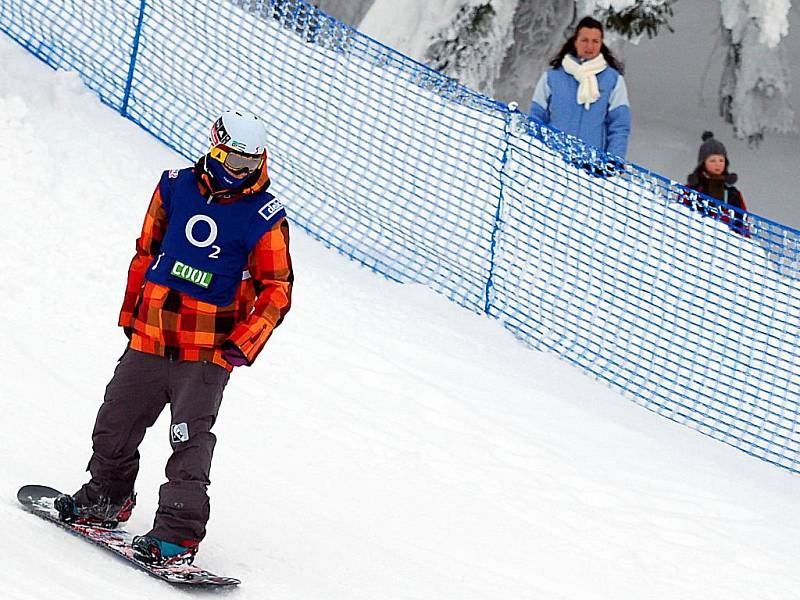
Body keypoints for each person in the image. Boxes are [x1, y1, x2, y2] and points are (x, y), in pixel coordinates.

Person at [53, 109, 293, 566]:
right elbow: (148, 251)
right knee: (114, 424)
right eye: (233, 160)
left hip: (206, 352)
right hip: (150, 335)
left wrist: (240, 347)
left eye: (250, 164)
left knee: (189, 443)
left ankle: (177, 535)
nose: (240, 172)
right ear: (215, 146)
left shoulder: (263, 216)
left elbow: (277, 291)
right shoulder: (174, 185)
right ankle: (106, 499)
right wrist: (130, 314)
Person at [529, 16, 631, 160]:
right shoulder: (552, 77)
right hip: (552, 161)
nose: (590, 46)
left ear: (601, 43)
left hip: (592, 166)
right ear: (575, 41)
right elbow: (536, 116)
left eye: (595, 41)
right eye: (584, 40)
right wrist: (534, 150)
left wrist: (614, 161)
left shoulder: (613, 80)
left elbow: (619, 125)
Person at [685, 131, 749, 236]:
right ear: (703, 163)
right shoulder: (693, 188)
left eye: (721, 160)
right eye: (712, 160)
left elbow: (743, 223)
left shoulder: (733, 192)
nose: (717, 164)